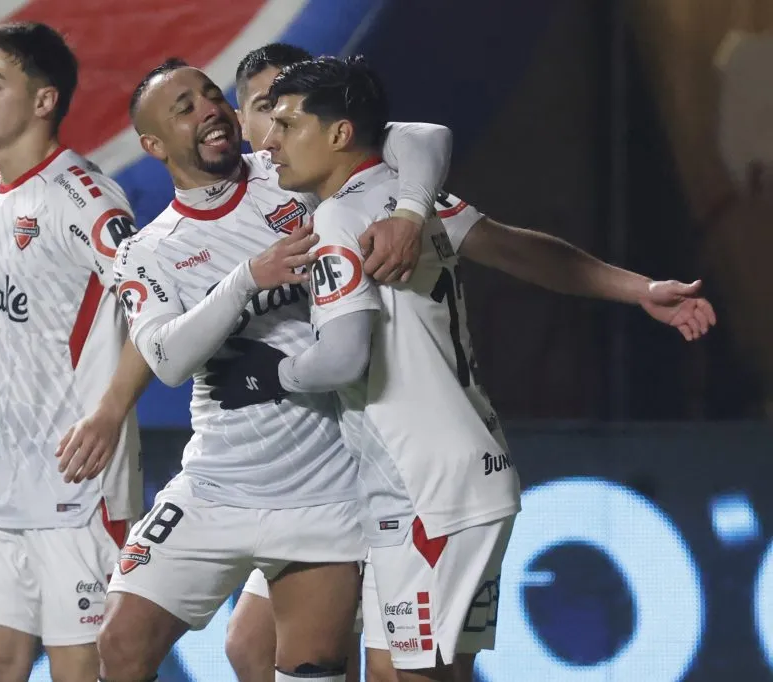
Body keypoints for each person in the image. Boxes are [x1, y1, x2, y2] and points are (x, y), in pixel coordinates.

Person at [206, 55, 717, 682]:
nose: (271, 139)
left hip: (425, 490)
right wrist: (640, 288)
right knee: (391, 666)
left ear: (339, 132)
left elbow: (343, 356)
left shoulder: (342, 215)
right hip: (450, 476)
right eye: (266, 118)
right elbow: (509, 241)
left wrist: (265, 373)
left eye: (285, 121)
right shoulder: (397, 194)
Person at [96, 57, 457, 682]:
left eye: (211, 95)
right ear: (154, 144)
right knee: (120, 646)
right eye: (185, 107)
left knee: (307, 670)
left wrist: (408, 211)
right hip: (215, 484)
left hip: (323, 491)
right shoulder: (148, 250)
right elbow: (167, 357)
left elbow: (423, 137)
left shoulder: (292, 171)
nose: (209, 109)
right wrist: (244, 282)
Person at [0, 22, 153, 682]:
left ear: (44, 101)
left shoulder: (86, 200)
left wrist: (108, 414)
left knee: (81, 673)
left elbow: (157, 310)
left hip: (79, 485)